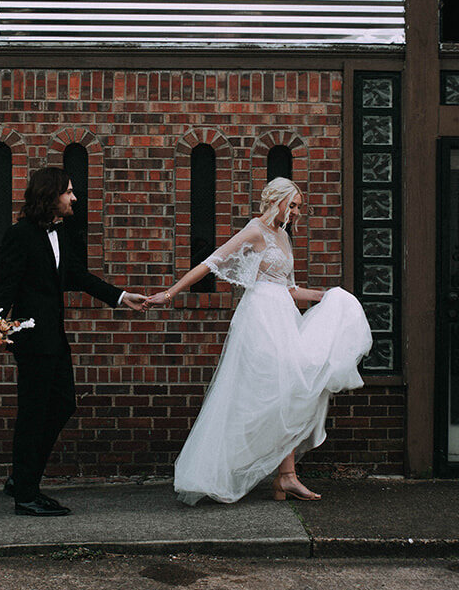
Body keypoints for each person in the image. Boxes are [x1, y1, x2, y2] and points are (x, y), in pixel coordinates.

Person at [149, 177, 372, 504]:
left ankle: (286, 476)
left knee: (291, 389)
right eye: (292, 205)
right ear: (277, 201)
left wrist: (329, 296)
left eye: (298, 207)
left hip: (283, 317)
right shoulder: (256, 230)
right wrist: (170, 294)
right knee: (270, 392)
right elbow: (209, 263)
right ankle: (249, 474)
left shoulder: (284, 236)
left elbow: (291, 289)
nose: (296, 212)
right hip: (259, 320)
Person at [0, 166, 147, 516]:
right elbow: (7, 287)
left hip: (55, 338)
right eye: (69, 192)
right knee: (33, 414)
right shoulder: (20, 235)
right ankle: (26, 496)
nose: (74, 198)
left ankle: (22, 477)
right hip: (31, 340)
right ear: (51, 195)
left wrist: (121, 297)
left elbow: (76, 274)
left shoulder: (61, 232)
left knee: (62, 404)